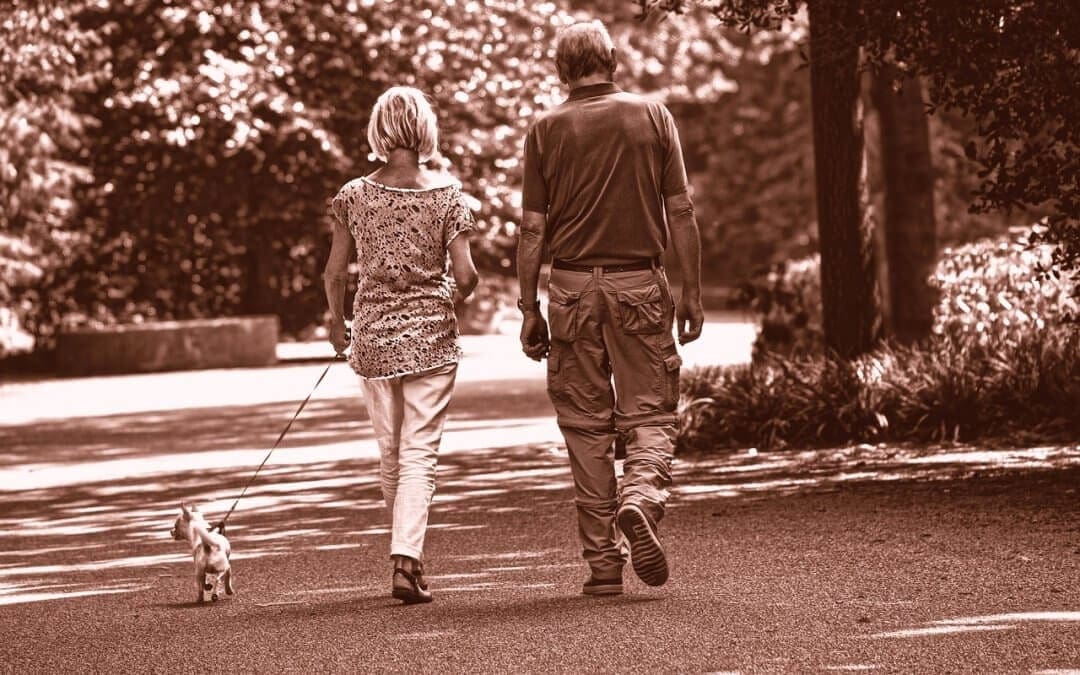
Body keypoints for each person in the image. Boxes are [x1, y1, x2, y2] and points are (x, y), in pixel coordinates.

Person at [516, 20, 704, 596]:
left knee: (585, 426)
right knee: (649, 412)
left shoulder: (544, 130)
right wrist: (690, 290)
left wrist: (530, 307)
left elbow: (531, 229)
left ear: (561, 69)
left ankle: (602, 566)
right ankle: (642, 497)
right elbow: (681, 210)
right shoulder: (653, 117)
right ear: (612, 61)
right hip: (639, 285)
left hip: (572, 289)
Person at [323, 86, 479, 605]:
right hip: (432, 339)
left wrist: (335, 323)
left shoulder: (353, 195)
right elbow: (467, 275)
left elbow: (334, 272)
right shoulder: (447, 195)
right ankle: (405, 560)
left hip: (372, 338)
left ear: (378, 129)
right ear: (426, 130)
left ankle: (405, 557)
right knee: (420, 454)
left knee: (390, 453)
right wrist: (446, 290)